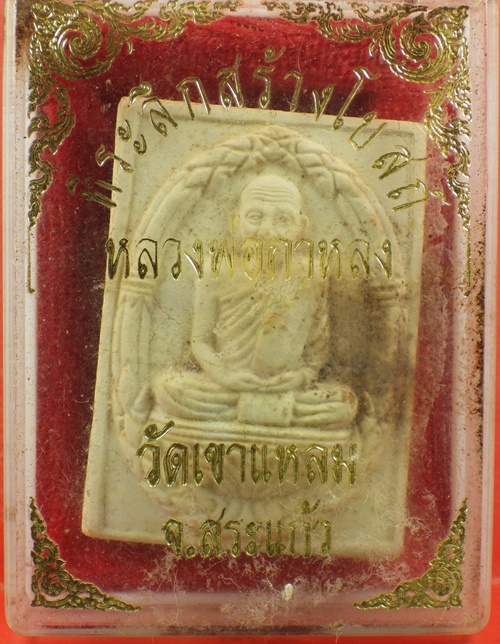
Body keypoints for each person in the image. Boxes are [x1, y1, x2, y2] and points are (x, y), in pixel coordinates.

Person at [153, 174, 358, 428]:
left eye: (283, 220)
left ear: (301, 226)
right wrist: (225, 377)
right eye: (255, 217)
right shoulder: (215, 271)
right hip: (227, 389)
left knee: (343, 403)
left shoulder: (312, 275)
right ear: (235, 221)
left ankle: (251, 410)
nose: (267, 231)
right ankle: (270, 412)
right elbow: (201, 341)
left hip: (287, 390)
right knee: (169, 390)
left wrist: (302, 377)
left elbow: (317, 348)